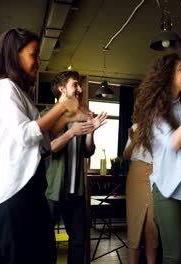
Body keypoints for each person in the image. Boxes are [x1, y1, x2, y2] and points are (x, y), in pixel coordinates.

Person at [0, 28, 78, 264]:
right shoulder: (4, 89)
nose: (39, 61)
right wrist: (62, 108)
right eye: (34, 54)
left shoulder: (20, 93)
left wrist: (71, 118)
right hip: (12, 193)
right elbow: (26, 134)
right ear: (15, 55)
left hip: (30, 191)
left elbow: (42, 141)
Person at [132, 53, 181, 264]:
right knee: (172, 255)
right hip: (167, 187)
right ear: (168, 76)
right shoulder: (154, 110)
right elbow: (174, 143)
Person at [44, 70, 107, 264]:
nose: (80, 89)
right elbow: (48, 148)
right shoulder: (47, 115)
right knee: (45, 243)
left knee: (79, 242)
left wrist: (90, 131)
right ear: (62, 89)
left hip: (76, 191)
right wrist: (72, 133)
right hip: (51, 191)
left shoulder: (81, 115)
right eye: (75, 85)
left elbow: (88, 151)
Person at [123, 123, 159, 264]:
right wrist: (133, 141)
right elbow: (126, 155)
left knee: (151, 224)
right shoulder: (136, 126)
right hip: (136, 176)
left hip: (155, 174)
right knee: (134, 224)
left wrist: (149, 142)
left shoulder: (162, 127)